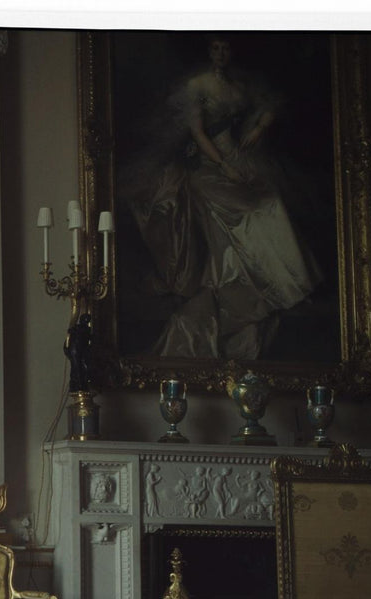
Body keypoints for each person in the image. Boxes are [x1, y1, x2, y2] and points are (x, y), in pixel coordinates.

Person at [124, 37, 323, 360]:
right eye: (215, 49)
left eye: (226, 49)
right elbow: (199, 133)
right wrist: (223, 166)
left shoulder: (240, 86)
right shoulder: (196, 85)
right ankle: (245, 280)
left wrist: (258, 128)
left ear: (232, 53)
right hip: (209, 161)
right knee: (240, 210)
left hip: (240, 156)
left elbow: (270, 105)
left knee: (270, 203)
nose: (221, 54)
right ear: (208, 52)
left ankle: (283, 281)